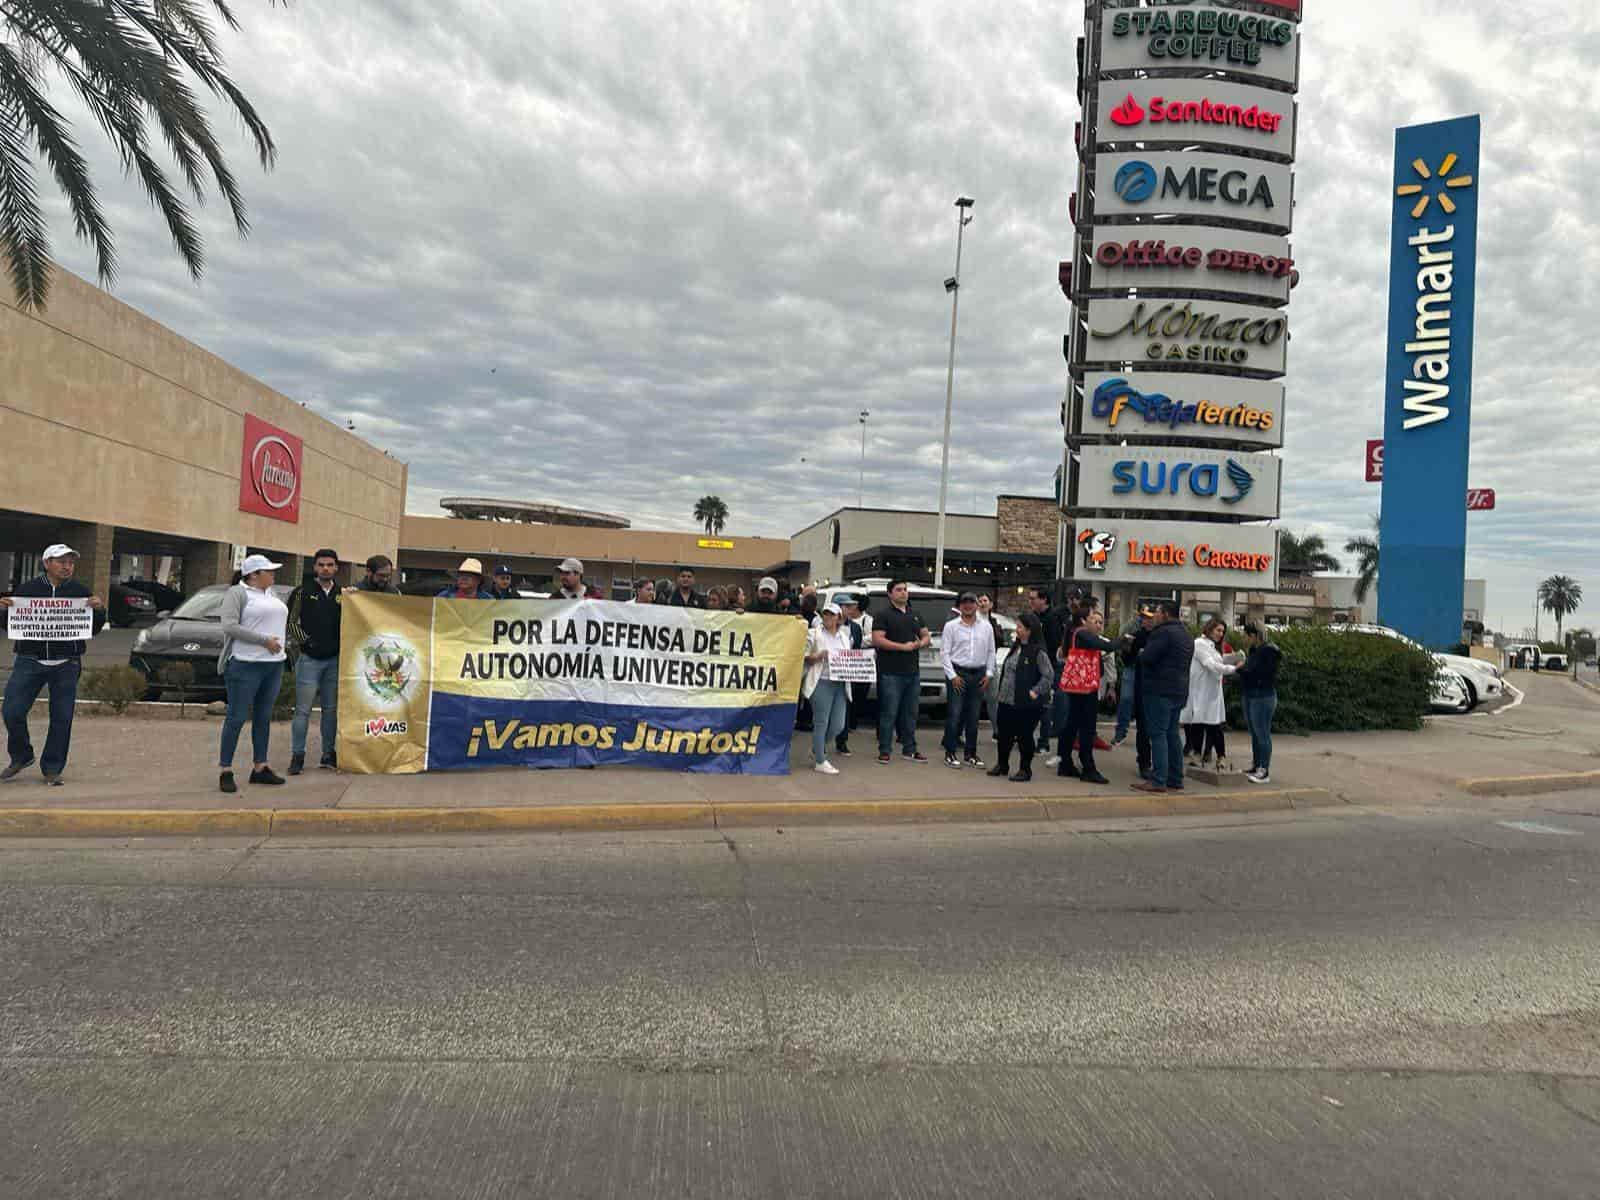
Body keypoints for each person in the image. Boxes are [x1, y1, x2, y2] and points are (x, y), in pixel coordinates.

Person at [0, 543, 106, 785]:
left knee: (61, 718)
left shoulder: (81, 592)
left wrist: (99, 611)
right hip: (29, 661)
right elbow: (11, 625)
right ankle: (21, 756)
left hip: (66, 664)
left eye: (70, 562)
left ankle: (52, 769)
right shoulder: (26, 590)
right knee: (12, 711)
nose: (67, 566)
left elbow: (92, 628)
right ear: (47, 564)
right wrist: (3, 610)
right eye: (61, 561)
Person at [216, 554, 290, 793]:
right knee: (236, 717)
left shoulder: (272, 593)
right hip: (245, 664)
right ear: (254, 575)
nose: (273, 574)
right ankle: (225, 770)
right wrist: (264, 641)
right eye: (269, 571)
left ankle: (260, 766)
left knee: (263, 717)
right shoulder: (237, 593)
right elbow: (229, 626)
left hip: (273, 664)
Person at [286, 549, 349, 776]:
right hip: (309, 660)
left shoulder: (345, 594)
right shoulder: (302, 592)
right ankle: (297, 755)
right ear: (314, 567)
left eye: (330, 565)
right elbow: (291, 623)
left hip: (335, 660)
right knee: (302, 711)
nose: (325, 568)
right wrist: (307, 643)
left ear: (336, 568)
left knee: (330, 711)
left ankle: (328, 754)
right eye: (321, 564)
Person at [1133, 600, 1194, 794]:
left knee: (1158, 734)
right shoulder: (1185, 634)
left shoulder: (1162, 633)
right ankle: (1175, 778)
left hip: (1159, 690)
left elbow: (1148, 657)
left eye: (1157, 612)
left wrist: (1141, 653)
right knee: (1172, 734)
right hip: (1179, 690)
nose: (1155, 616)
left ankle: (1158, 780)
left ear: (1166, 614)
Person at [985, 611, 1054, 782]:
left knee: (1024, 736)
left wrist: (1036, 691)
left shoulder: (1038, 652)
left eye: (1020, 627)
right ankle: (1002, 764)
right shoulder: (1015, 647)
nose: (1017, 629)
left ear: (1030, 630)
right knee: (1004, 734)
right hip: (1006, 699)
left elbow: (1048, 675)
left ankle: (1025, 769)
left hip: (1025, 702)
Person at [871, 580, 930, 764]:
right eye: (899, 590)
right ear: (890, 593)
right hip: (890, 672)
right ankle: (885, 750)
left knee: (911, 714)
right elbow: (877, 640)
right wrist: (901, 647)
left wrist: (919, 643)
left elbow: (926, 636)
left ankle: (909, 749)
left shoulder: (915, 614)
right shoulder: (883, 615)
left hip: (912, 672)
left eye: (905, 590)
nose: (903, 593)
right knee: (889, 713)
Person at [940, 592, 995, 769]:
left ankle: (970, 754)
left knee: (973, 716)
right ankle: (950, 752)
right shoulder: (951, 626)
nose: (968, 605)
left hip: (978, 675)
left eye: (972, 602)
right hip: (958, 673)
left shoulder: (986, 627)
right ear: (959, 606)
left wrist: (989, 673)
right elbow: (944, 653)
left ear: (977, 605)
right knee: (954, 714)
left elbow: (991, 652)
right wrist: (952, 676)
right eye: (964, 602)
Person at [1059, 608, 1115, 784]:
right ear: (1083, 621)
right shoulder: (1083, 634)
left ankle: (1065, 762)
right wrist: (1122, 641)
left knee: (1073, 723)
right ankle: (1088, 767)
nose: (1097, 623)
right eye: (1093, 619)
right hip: (1085, 687)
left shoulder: (1075, 634)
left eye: (1099, 621)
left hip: (1079, 686)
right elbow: (1105, 645)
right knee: (1087, 726)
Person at [802, 602, 854, 775]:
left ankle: (818, 748)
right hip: (821, 681)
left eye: (832, 615)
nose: (828, 617)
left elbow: (849, 658)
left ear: (839, 618)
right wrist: (818, 656)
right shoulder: (813, 633)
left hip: (839, 683)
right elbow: (804, 655)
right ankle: (820, 760)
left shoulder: (844, 637)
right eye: (825, 614)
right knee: (821, 721)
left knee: (838, 725)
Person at [1182, 618, 1237, 771]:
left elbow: (1217, 661)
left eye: (1222, 631)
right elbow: (1210, 664)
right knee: (1199, 723)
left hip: (1211, 691)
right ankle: (1198, 754)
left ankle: (1220, 756)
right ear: (1210, 628)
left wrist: (1233, 658)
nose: (1220, 634)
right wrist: (1233, 669)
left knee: (1214, 724)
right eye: (1218, 630)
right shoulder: (1199, 643)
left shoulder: (1213, 646)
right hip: (1201, 691)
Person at [1233, 622, 1282, 783]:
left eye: (1245, 635)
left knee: (1262, 733)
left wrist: (1240, 669)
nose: (1243, 638)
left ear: (1254, 635)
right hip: (1250, 695)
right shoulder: (1254, 651)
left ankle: (1264, 770)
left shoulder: (1269, 651)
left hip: (1263, 696)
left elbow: (1259, 674)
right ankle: (1256, 765)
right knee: (1255, 733)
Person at [1028, 586, 1069, 762]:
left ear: (1043, 600)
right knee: (1031, 703)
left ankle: (1043, 742)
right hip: (1032, 665)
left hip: (1048, 667)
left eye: (1033, 598)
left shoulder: (1052, 619)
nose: (1030, 602)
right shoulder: (1032, 617)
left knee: (1045, 705)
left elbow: (1053, 645)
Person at [834, 594, 869, 757]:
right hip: (829, 673)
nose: (850, 610)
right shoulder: (825, 625)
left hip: (847, 673)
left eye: (851, 606)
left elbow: (858, 649)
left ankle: (842, 741)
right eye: (846, 606)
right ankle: (822, 744)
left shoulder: (855, 628)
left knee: (845, 708)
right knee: (826, 711)